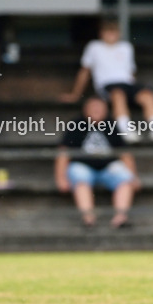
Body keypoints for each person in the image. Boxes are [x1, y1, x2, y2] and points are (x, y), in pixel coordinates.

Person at [60, 19, 153, 142]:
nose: (111, 36)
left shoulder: (126, 47)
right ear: (101, 34)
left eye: (113, 32)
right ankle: (125, 129)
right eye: (108, 32)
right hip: (107, 85)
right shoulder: (94, 47)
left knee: (147, 95)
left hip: (127, 84)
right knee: (118, 94)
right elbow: (85, 71)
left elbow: (130, 71)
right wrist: (76, 94)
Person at [54, 96, 139, 228]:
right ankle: (88, 218)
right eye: (93, 107)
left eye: (100, 108)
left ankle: (120, 217)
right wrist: (61, 178)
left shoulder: (112, 125)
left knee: (125, 179)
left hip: (108, 167)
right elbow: (63, 152)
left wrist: (133, 176)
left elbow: (124, 153)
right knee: (80, 178)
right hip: (83, 166)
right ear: (85, 110)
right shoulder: (76, 125)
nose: (97, 110)